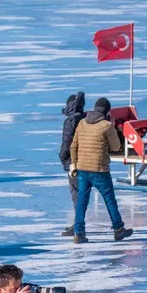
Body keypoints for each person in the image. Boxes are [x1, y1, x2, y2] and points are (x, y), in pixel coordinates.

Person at [69, 97, 134, 243]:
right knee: (109, 199)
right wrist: (116, 130)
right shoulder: (107, 125)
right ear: (107, 111)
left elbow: (73, 146)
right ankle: (118, 229)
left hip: (82, 168)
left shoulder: (82, 122)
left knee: (81, 202)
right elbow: (116, 147)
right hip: (99, 170)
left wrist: (74, 164)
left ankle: (78, 233)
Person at [58, 91, 87, 236]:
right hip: (88, 160)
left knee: (77, 194)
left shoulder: (70, 121)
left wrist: (62, 158)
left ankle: (78, 226)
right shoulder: (86, 118)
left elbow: (67, 142)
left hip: (74, 163)